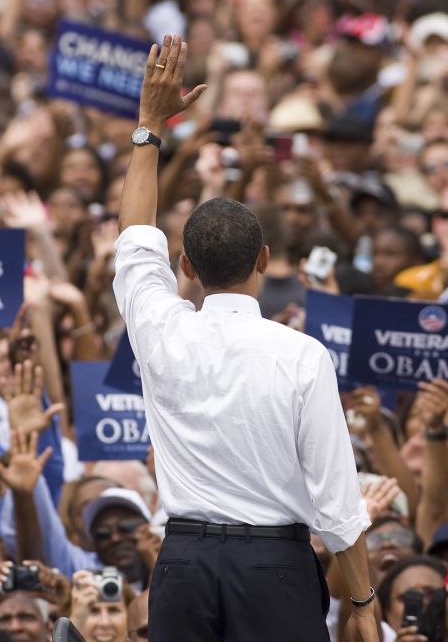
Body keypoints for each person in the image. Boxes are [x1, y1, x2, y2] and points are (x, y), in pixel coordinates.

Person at [112, 36, 376, 641]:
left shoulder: (160, 329)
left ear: (187, 266)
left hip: (183, 566)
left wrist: (150, 126)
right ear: (264, 260)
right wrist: (362, 599)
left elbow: (134, 236)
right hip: (274, 570)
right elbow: (336, 498)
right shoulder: (302, 354)